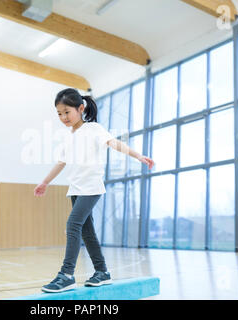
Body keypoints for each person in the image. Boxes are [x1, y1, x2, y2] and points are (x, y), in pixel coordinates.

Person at [34, 88, 154, 293]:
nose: (63, 117)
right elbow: (60, 163)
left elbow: (114, 143)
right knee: (87, 232)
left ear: (80, 108)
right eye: (59, 113)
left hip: (91, 187)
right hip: (75, 189)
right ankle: (102, 272)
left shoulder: (94, 129)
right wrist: (45, 182)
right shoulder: (68, 137)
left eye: (67, 112)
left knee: (73, 225)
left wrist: (138, 156)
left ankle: (67, 275)